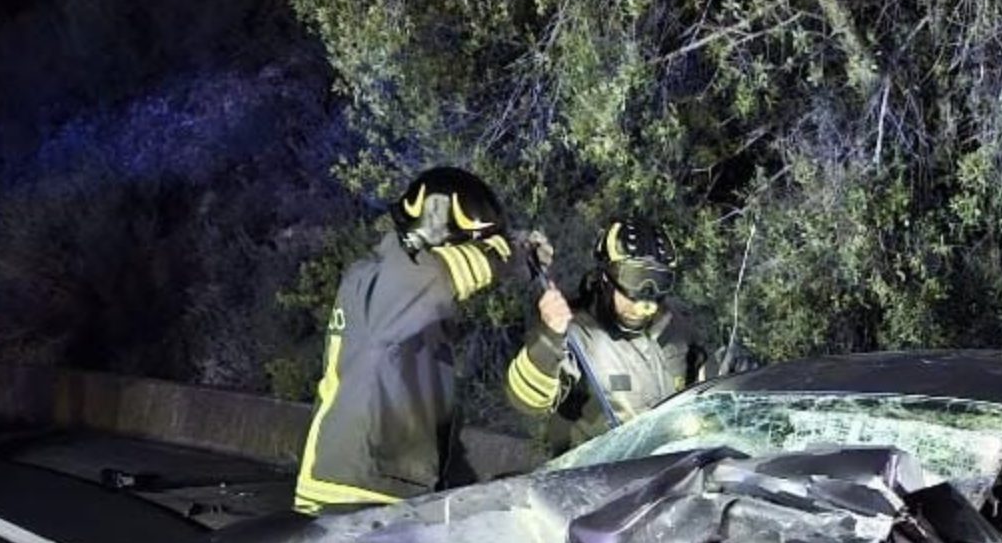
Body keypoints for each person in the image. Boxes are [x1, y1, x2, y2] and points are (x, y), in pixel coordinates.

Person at [292, 167, 518, 516]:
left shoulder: (389, 284)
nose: (473, 251)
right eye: (467, 242)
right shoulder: (400, 281)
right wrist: (512, 251)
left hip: (373, 482)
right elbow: (460, 269)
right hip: (355, 487)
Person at [505, 219, 731, 456]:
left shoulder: (675, 327)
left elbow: (705, 384)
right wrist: (549, 338)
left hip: (670, 479)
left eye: (659, 281)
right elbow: (527, 401)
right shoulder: (577, 334)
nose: (645, 299)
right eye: (634, 278)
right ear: (606, 277)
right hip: (599, 484)